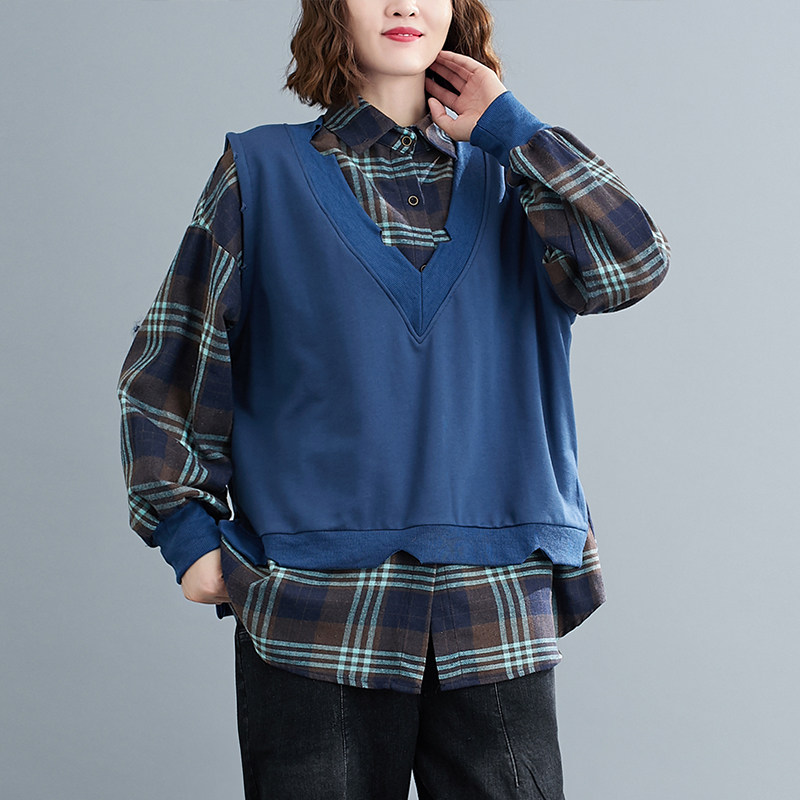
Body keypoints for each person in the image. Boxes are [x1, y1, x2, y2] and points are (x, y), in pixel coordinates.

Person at [117, 0, 669, 797]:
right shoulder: (261, 171)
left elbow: (633, 266)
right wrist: (185, 530)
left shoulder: (522, 180)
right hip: (312, 605)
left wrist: (513, 129)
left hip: (497, 595)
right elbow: (171, 359)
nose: (405, 3)